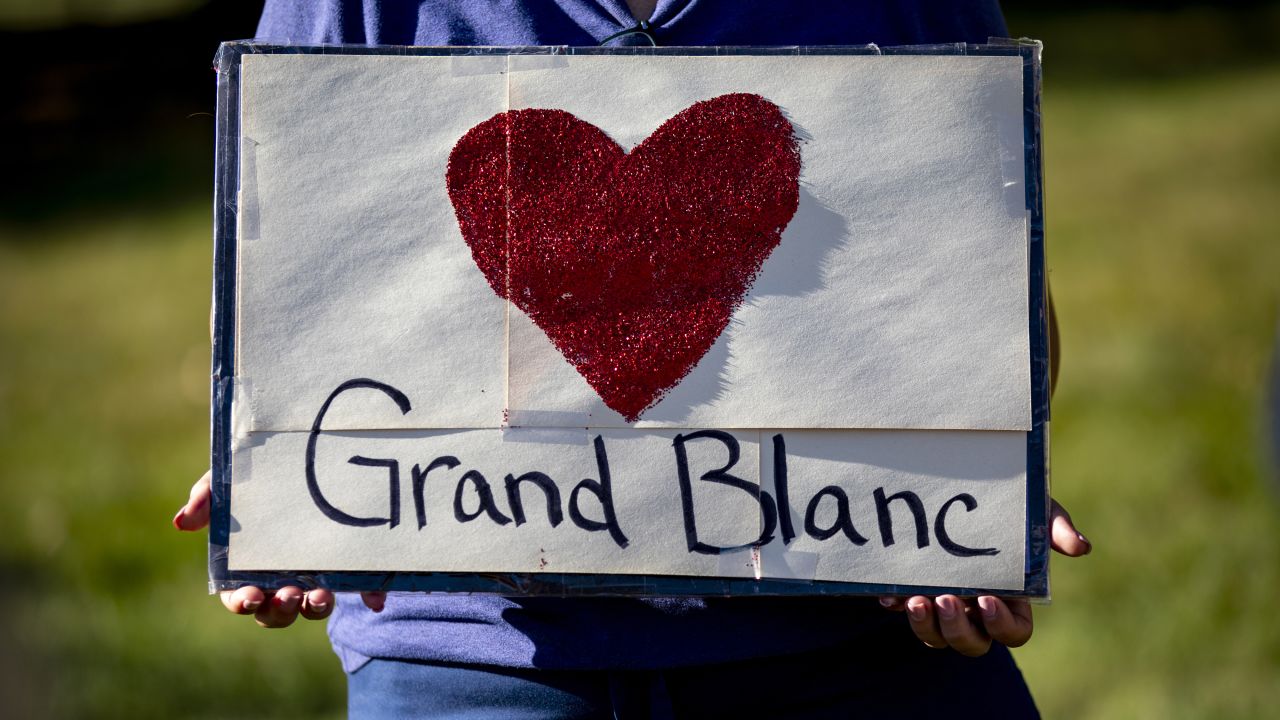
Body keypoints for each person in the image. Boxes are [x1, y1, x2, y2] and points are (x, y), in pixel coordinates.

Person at [174, 1, 1092, 716]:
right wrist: (277, 469)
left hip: (860, 648)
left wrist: (982, 484)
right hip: (472, 663)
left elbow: (1002, 311)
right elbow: (284, 285)